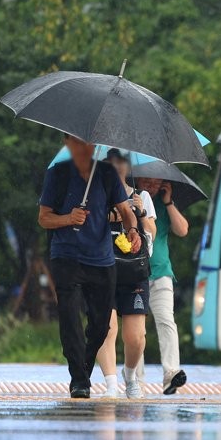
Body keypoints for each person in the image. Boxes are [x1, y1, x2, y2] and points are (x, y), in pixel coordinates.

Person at [39, 136, 141, 399]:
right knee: (70, 318)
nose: (83, 148)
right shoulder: (58, 174)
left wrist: (131, 228)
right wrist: (67, 218)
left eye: (88, 143)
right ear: (67, 143)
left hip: (101, 259)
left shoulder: (106, 173)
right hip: (66, 256)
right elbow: (44, 219)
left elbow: (125, 209)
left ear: (95, 146)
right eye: (77, 142)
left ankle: (83, 365)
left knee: (100, 326)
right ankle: (79, 380)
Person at [95, 149, 157, 399]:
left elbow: (152, 230)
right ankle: (110, 385)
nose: (117, 166)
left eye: (121, 162)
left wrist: (139, 213)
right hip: (102, 268)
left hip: (134, 271)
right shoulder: (95, 195)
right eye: (111, 162)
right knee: (106, 329)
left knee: (136, 337)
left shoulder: (141, 196)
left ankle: (129, 375)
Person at [135, 176, 190, 395]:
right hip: (136, 272)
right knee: (137, 329)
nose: (152, 186)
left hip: (162, 272)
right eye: (147, 181)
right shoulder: (131, 199)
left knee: (167, 320)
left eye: (157, 183)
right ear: (137, 178)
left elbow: (183, 230)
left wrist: (168, 202)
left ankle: (171, 374)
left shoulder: (163, 203)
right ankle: (136, 380)